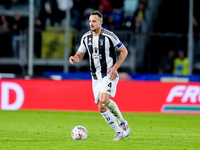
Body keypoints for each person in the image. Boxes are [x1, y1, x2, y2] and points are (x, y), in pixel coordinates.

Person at [69, 10, 130, 141]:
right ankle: (119, 131)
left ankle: (122, 121)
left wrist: (115, 68)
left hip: (109, 73)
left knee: (103, 99)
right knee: (101, 106)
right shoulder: (86, 38)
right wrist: (74, 58)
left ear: (100, 22)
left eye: (94, 21)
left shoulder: (109, 36)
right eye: (90, 21)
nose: (91, 23)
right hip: (95, 77)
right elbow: (80, 55)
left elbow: (124, 51)